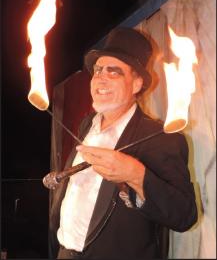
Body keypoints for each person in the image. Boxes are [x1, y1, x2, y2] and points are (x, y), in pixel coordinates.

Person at [50, 27, 198, 259]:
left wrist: (136, 174)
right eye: (98, 70)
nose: (100, 77)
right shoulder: (87, 125)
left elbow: (184, 215)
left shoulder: (162, 137)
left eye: (114, 72)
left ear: (137, 84)